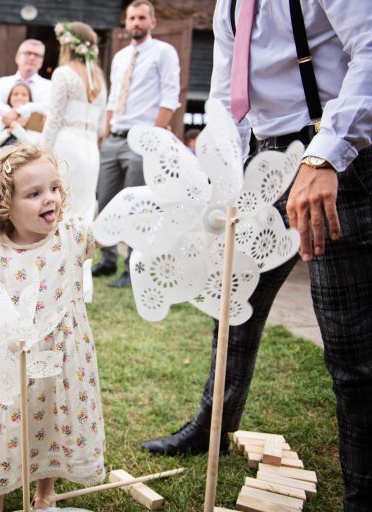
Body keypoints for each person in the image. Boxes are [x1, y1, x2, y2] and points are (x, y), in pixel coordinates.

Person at [139, 2, 372, 509]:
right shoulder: (230, 5)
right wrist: (223, 169)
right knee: (232, 306)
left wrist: (325, 156)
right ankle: (212, 427)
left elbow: (370, 50)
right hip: (260, 161)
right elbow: (227, 95)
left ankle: (364, 487)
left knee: (351, 344)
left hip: (331, 159)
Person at [0, 145, 105, 511]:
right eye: (34, 193)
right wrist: (2, 317)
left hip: (62, 355)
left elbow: (111, 231)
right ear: (5, 205)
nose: (50, 198)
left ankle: (44, 493)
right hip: (13, 356)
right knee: (9, 419)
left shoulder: (72, 237)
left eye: (54, 188)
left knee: (50, 417)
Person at [93, 0, 180, 288]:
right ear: (126, 22)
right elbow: (113, 98)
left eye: (142, 18)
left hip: (142, 140)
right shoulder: (120, 57)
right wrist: (105, 133)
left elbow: (170, 97)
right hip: (114, 139)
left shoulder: (164, 52)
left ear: (152, 22)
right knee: (106, 202)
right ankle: (107, 260)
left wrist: (153, 137)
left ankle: (133, 267)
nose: (136, 23)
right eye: (131, 18)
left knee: (137, 208)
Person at [42, 21, 107, 303]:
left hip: (67, 145)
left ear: (68, 43)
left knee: (60, 209)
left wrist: (43, 153)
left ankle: (57, 281)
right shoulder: (99, 77)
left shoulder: (64, 73)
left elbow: (53, 118)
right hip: (90, 149)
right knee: (83, 213)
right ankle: (82, 286)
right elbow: (102, 126)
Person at [0, 40, 52, 121]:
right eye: (28, 53)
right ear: (17, 58)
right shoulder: (2, 83)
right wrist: (24, 115)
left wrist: (18, 112)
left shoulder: (50, 86)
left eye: (37, 55)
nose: (32, 58)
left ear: (41, 62)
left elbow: (47, 111)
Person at [0, 83, 43, 155]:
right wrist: (7, 132)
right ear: (9, 98)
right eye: (15, 94)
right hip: (2, 158)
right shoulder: (0, 119)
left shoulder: (35, 119)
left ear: (29, 99)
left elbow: (35, 147)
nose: (19, 97)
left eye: (24, 95)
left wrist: (16, 128)